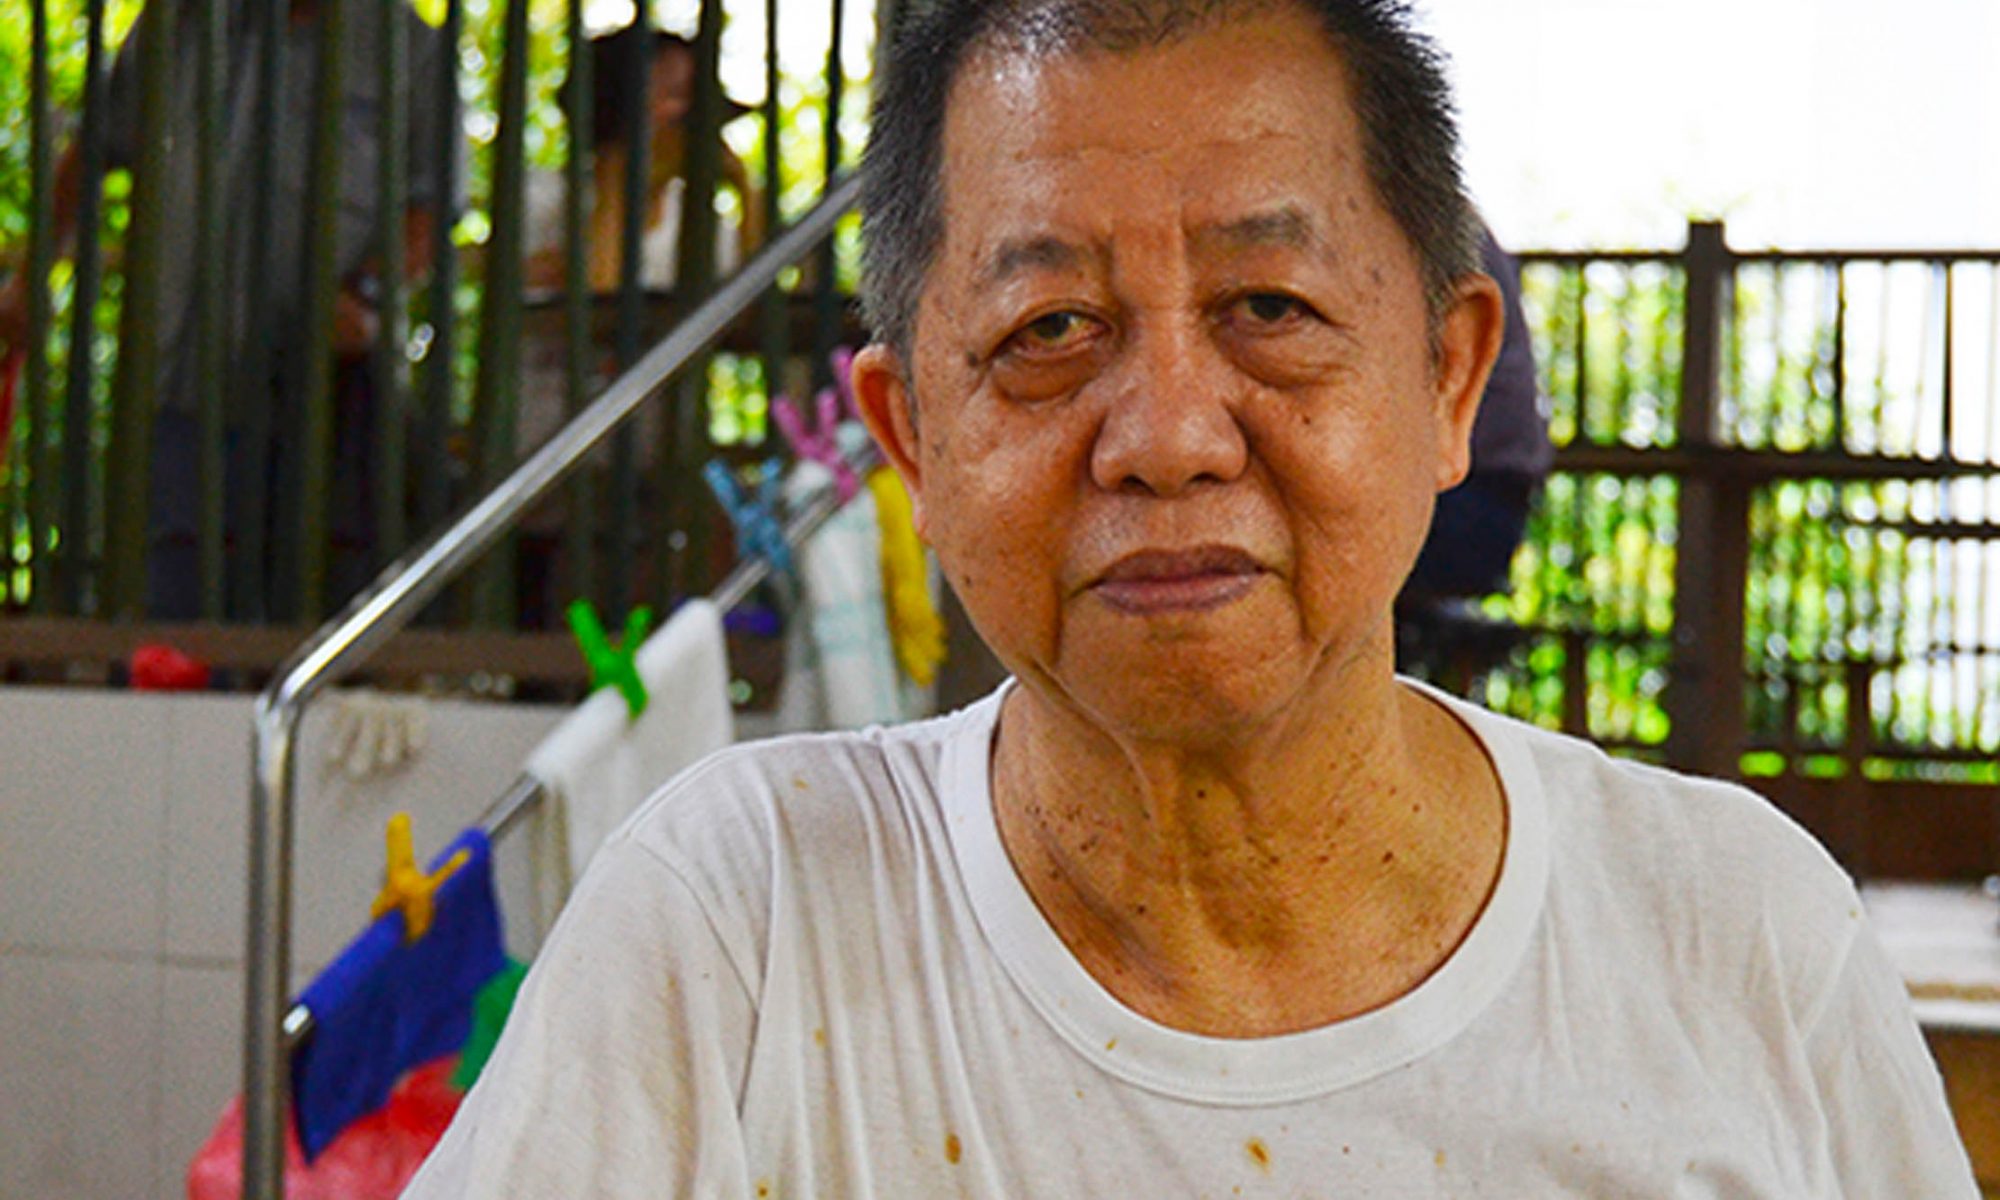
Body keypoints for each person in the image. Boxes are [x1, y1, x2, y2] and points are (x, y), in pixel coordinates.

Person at [404, 0, 1977, 1194]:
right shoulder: (734, 925)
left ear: (1448, 380)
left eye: (1270, 307)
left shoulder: (1739, 939)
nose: (1165, 435)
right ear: (913, 442)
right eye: (1048, 330)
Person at [0, 0, 451, 619]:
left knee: (313, 595)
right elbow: (94, 146)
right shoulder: (183, 24)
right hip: (182, 381)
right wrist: (31, 280)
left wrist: (363, 295)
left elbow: (429, 211)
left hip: (321, 395)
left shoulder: (409, 50)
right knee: (179, 602)